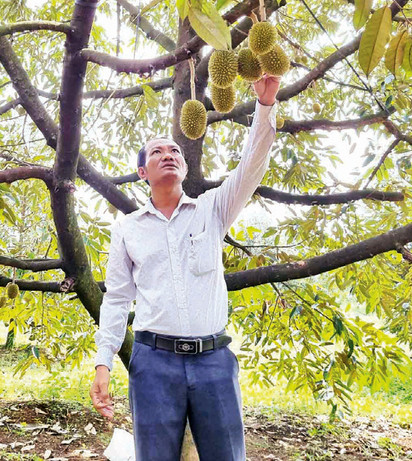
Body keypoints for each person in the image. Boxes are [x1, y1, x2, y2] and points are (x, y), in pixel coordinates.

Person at [90, 74, 282, 460]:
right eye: (157, 152)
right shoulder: (127, 228)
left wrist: (265, 106)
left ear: (184, 165)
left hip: (214, 360)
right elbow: (117, 299)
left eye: (175, 151)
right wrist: (103, 362)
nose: (169, 155)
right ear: (143, 173)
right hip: (153, 362)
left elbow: (251, 167)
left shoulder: (212, 209)